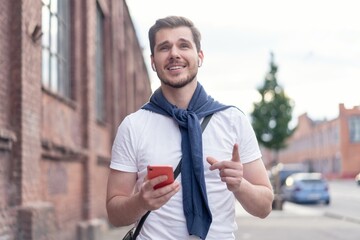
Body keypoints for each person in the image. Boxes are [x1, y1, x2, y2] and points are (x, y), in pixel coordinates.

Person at [106, 16, 274, 240]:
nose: (174, 53)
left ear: (200, 56)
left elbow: (264, 207)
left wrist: (239, 185)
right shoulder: (134, 126)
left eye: (183, 45)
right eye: (164, 47)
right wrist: (140, 202)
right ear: (153, 61)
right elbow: (115, 214)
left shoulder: (233, 120)